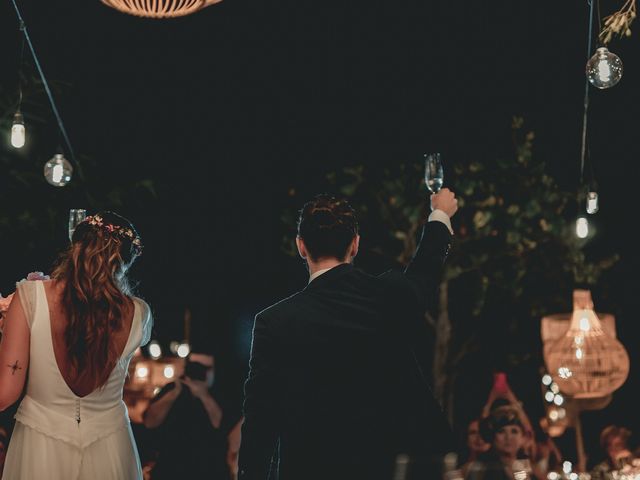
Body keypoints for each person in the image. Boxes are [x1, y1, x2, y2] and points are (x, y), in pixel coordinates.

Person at [239, 189, 458, 480]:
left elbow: (260, 420)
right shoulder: (390, 297)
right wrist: (439, 214)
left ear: (301, 246)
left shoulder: (274, 322)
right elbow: (426, 270)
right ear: (355, 245)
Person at [0, 211, 152, 479]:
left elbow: (5, 392)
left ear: (76, 246)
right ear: (125, 262)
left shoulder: (31, 297)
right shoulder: (139, 312)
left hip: (40, 446)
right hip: (111, 447)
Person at [142, 352, 229, 479]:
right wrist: (175, 392)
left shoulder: (220, 394)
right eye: (196, 366)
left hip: (207, 470)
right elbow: (150, 422)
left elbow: (220, 424)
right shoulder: (173, 389)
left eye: (206, 368)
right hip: (171, 468)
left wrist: (203, 395)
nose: (200, 371)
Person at [465, 405, 535, 480]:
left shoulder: (523, 467)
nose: (508, 437)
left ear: (522, 437)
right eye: (501, 431)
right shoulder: (481, 468)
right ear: (492, 437)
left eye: (514, 431)